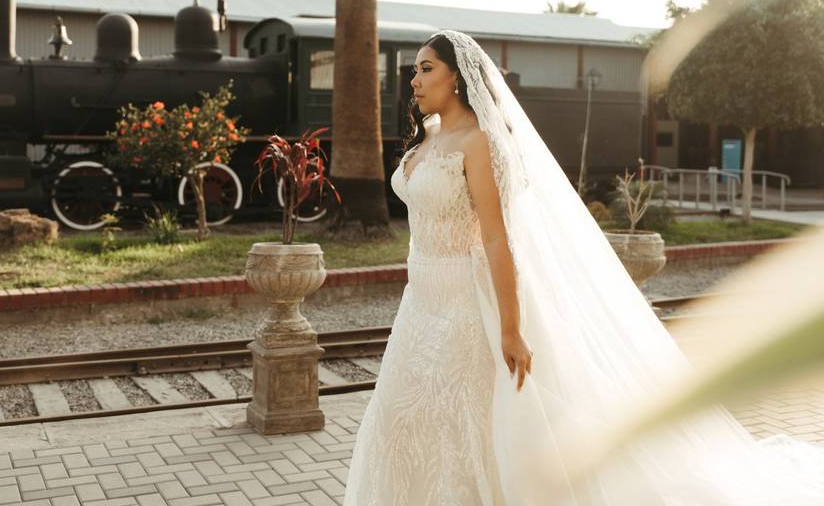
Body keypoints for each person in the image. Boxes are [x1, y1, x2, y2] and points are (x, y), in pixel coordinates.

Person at [342, 29, 824, 505]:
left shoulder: (479, 143)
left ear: (458, 78)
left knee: (458, 422)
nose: (415, 80)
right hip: (420, 303)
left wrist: (511, 328)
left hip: (464, 306)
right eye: (415, 71)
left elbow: (495, 236)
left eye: (427, 69)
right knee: (402, 417)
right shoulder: (426, 137)